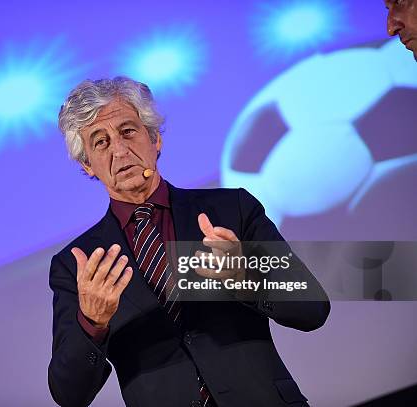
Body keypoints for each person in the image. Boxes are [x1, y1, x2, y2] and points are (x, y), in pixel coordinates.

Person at [48, 77, 330, 407]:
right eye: (100, 142)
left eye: (128, 131)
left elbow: (312, 309)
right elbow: (68, 394)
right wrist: (92, 323)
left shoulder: (232, 209)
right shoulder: (78, 264)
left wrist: (245, 275)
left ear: (154, 139)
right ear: (87, 165)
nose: (119, 150)